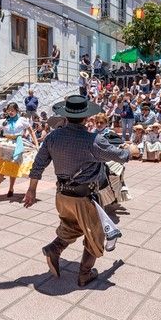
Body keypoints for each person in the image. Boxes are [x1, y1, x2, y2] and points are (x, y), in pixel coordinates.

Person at [23, 95, 131, 287]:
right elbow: (121, 156)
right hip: (84, 197)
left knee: (72, 226)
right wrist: (131, 150)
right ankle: (84, 274)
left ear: (66, 116)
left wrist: (31, 190)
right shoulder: (94, 140)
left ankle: (53, 249)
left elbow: (38, 164)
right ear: (86, 118)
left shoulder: (52, 137)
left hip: (62, 196)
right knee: (94, 234)